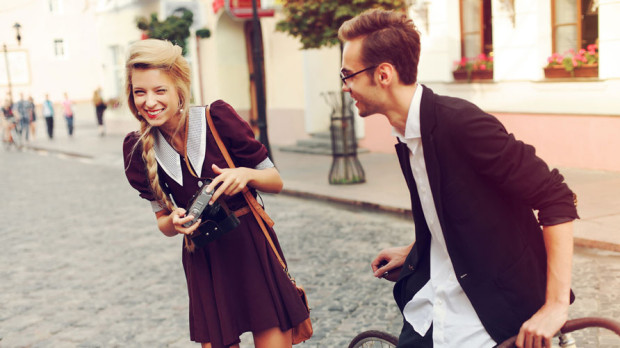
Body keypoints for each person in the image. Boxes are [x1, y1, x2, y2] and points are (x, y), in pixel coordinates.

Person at [338, 9, 578, 348]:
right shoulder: (408, 133)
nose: (346, 86)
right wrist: (416, 249)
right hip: (436, 300)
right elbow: (455, 207)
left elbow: (556, 196)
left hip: (489, 312)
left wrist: (554, 306)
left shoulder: (460, 124)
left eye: (348, 75)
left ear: (383, 74)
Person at [122, 39, 309, 348]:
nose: (149, 101)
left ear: (179, 89)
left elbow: (276, 181)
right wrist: (175, 221)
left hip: (250, 247)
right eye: (139, 91)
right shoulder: (137, 148)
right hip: (204, 257)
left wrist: (246, 174)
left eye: (159, 90)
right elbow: (163, 223)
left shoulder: (217, 119)